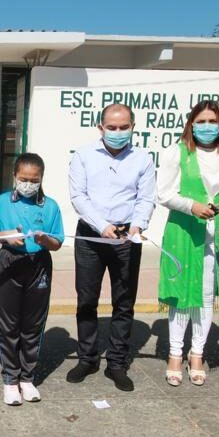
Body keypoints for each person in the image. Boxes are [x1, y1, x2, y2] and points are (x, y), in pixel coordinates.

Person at [157, 101, 219, 387]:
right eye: (201, 121)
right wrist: (192, 206)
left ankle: (197, 352)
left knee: (207, 293)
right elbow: (164, 193)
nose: (207, 126)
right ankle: (175, 353)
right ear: (191, 123)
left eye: (213, 121)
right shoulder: (177, 152)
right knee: (183, 293)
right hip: (184, 231)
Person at [67, 103, 155, 391]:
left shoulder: (142, 159)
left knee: (124, 302)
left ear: (132, 127)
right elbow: (78, 197)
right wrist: (103, 225)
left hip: (127, 236)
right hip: (92, 236)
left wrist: (137, 226)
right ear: (101, 128)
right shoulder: (83, 155)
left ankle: (116, 363)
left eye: (124, 127)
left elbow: (145, 198)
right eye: (112, 127)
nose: (118, 132)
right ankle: (87, 358)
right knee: (87, 299)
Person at [0, 153, 64, 405]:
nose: (28, 184)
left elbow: (57, 243)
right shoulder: (2, 202)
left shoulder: (50, 206)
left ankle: (27, 378)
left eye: (34, 180)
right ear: (14, 177)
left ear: (41, 179)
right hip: (10, 262)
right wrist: (6, 236)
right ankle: (10, 379)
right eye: (23, 179)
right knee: (8, 324)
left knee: (33, 324)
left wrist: (44, 240)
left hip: (38, 265)